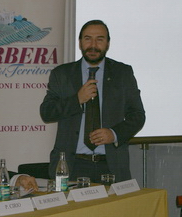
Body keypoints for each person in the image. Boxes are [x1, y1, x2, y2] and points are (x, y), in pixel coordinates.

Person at [40, 20, 145, 183]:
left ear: (108, 43)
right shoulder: (62, 74)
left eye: (100, 39)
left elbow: (138, 115)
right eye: (88, 38)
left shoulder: (122, 73)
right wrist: (77, 99)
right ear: (80, 43)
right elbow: (47, 112)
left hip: (111, 166)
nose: (93, 45)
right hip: (73, 165)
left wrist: (114, 134)